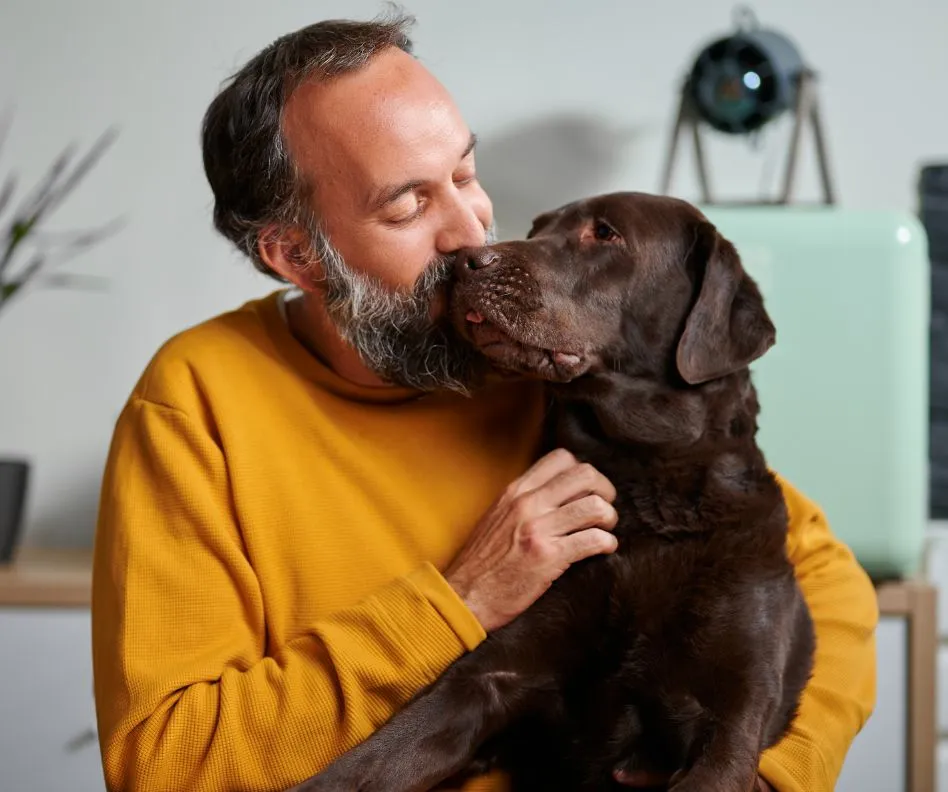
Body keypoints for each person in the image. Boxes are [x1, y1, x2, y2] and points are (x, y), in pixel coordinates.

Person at [90, 10, 878, 792]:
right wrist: (456, 603)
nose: (471, 234)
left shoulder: (544, 363)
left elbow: (818, 581)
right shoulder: (197, 404)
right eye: (407, 205)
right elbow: (166, 764)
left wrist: (769, 774)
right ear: (296, 254)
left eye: (466, 174)